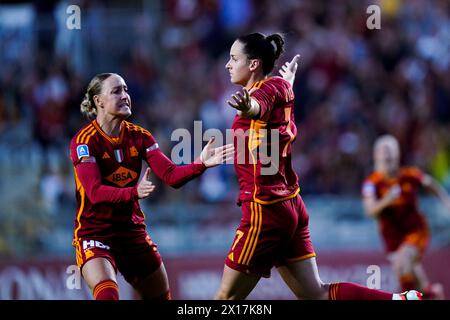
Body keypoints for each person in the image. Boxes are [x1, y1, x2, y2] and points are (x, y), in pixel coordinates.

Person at [215, 32, 422, 300]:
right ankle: (397, 299)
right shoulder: (281, 87)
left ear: (253, 64)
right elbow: (271, 101)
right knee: (317, 295)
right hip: (290, 205)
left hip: (263, 210)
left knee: (225, 299)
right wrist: (281, 84)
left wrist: (249, 106)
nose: (228, 65)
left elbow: (258, 107)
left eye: (234, 58)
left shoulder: (262, 95)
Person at [69, 73, 234, 300]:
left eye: (126, 90)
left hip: (132, 234)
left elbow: (171, 176)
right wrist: (134, 192)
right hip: (96, 234)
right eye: (116, 91)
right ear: (99, 101)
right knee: (107, 293)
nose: (125, 96)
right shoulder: (85, 141)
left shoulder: (140, 137)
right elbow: (95, 193)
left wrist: (201, 164)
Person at [362, 134, 450, 299]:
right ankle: (434, 294)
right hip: (392, 239)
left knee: (405, 260)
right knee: (416, 280)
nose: (387, 155)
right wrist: (387, 200)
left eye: (390, 151)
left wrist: (446, 201)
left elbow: (430, 185)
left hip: (416, 231)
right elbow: (370, 210)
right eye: (383, 152)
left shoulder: (409, 175)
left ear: (397, 154)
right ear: (376, 156)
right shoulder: (372, 183)